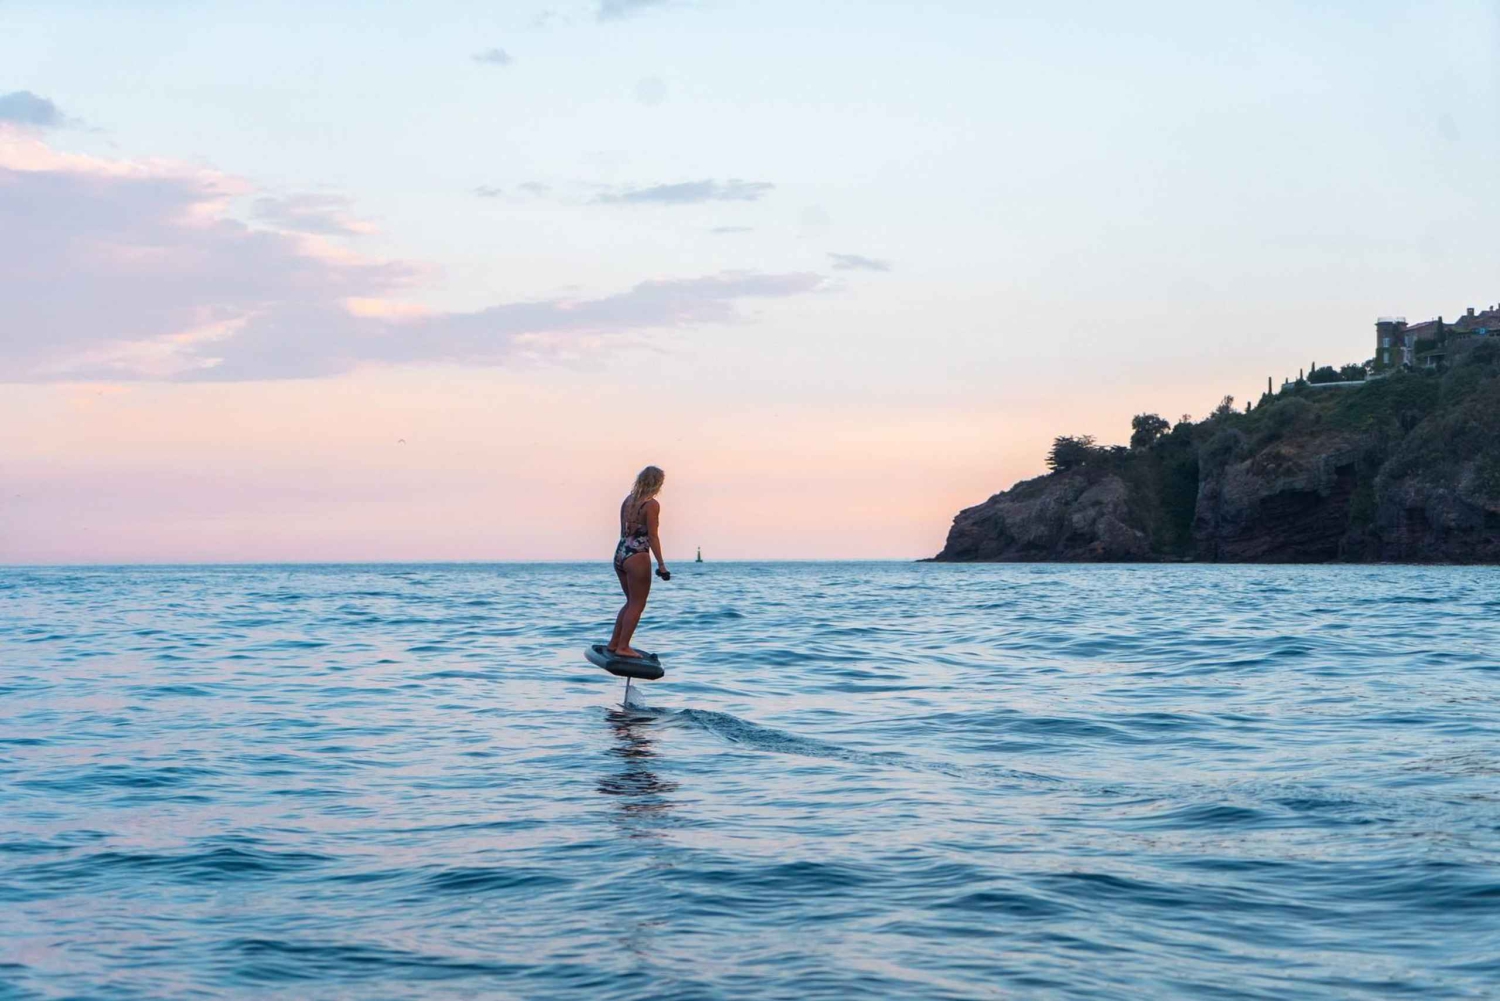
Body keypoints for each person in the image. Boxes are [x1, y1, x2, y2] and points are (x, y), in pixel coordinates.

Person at [608, 466, 668, 658]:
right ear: (657, 483)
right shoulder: (651, 505)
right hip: (637, 555)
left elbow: (623, 531)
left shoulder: (628, 500)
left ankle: (614, 643)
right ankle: (623, 647)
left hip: (621, 552)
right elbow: (653, 536)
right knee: (637, 604)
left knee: (630, 602)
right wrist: (661, 564)